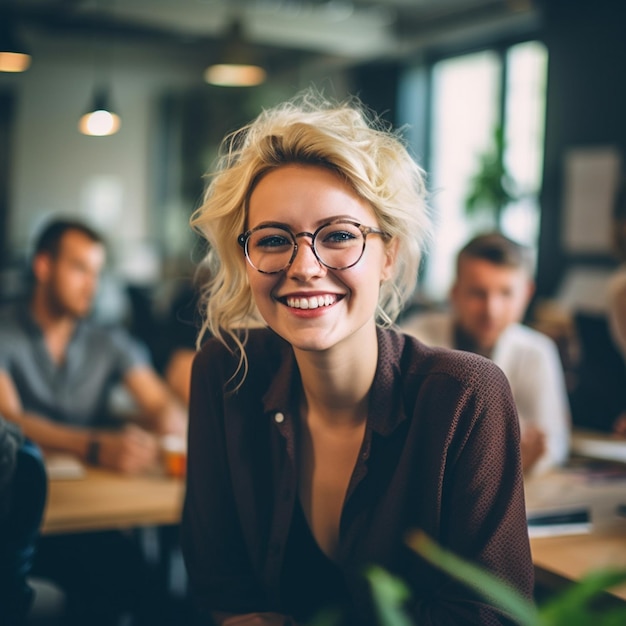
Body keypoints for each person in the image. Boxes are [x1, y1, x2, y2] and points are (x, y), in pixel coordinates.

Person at [181, 91, 534, 626]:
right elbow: (219, 590)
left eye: (340, 235)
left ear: (388, 254)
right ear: (246, 257)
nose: (304, 266)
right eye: (274, 240)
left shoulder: (463, 395)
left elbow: (489, 617)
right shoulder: (225, 373)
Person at [0, 218, 187, 626]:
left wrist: (164, 425)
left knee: (134, 579)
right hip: (13, 512)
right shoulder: (3, 331)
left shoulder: (107, 340)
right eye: (79, 269)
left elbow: (160, 404)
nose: (92, 285)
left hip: (86, 514)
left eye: (97, 273)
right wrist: (94, 445)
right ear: (43, 267)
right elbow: (9, 421)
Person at [402, 232, 571, 476]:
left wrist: (529, 459)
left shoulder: (537, 351)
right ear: (455, 293)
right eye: (478, 293)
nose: (492, 310)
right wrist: (502, 460)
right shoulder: (414, 341)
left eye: (506, 293)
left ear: (527, 293)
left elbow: (555, 442)